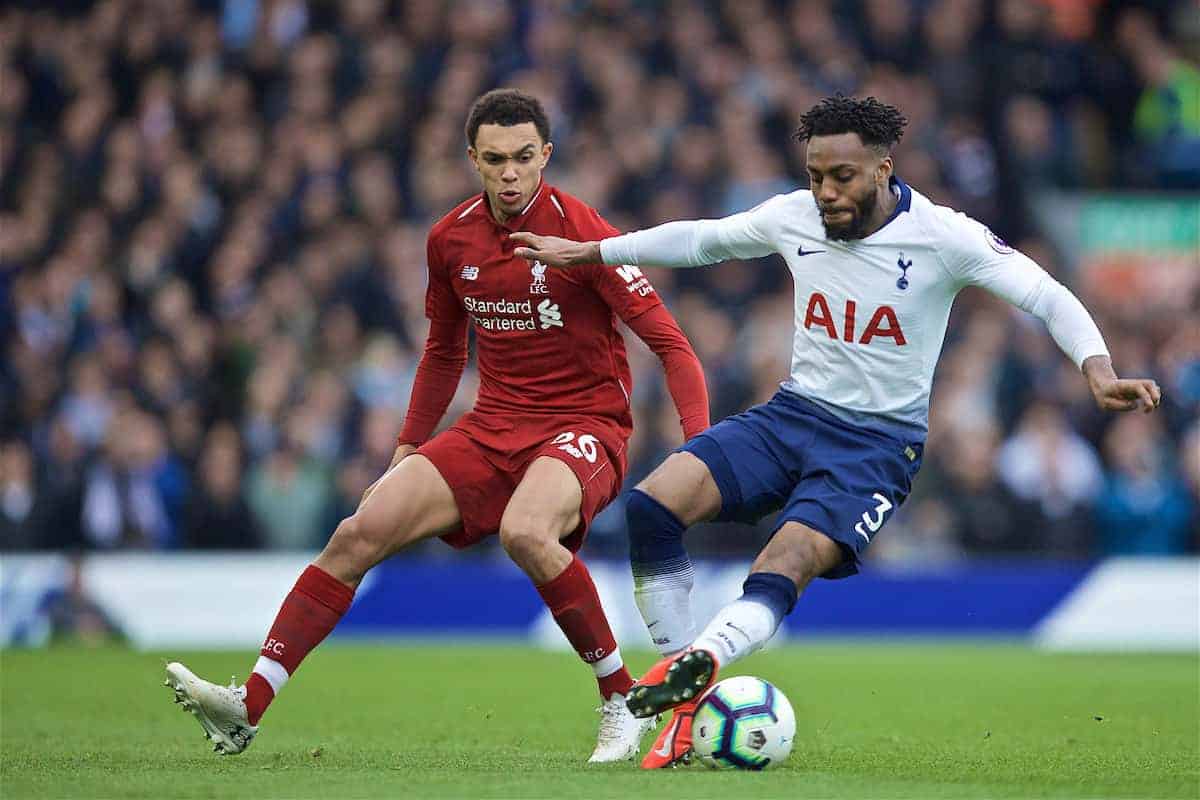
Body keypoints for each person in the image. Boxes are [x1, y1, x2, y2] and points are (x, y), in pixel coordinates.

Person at [510, 94, 1162, 769]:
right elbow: (702, 239)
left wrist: (1098, 367)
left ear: (883, 169)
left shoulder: (944, 236)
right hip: (793, 415)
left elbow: (1044, 293)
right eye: (816, 174)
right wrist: (591, 253)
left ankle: (703, 661)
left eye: (841, 177)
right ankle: (684, 699)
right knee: (651, 507)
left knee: (785, 560)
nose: (825, 192)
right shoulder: (795, 216)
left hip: (876, 447)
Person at [165, 89, 710, 763]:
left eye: (521, 158)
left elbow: (674, 345)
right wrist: (407, 446)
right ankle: (247, 704)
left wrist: (698, 440)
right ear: (472, 160)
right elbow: (445, 351)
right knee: (358, 531)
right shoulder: (450, 239)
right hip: (490, 428)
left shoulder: (587, 235)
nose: (509, 173)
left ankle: (620, 700)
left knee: (525, 532)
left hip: (584, 426)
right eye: (493, 160)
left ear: (546, 155)